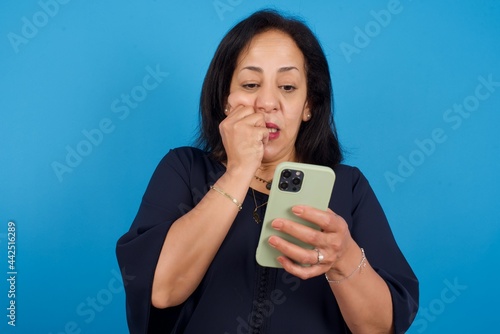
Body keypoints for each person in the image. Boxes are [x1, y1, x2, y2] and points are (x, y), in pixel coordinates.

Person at [116, 9, 419, 334]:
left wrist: (343, 256)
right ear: (226, 101)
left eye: (287, 87)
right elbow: (162, 291)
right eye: (250, 84)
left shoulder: (348, 188)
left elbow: (380, 327)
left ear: (309, 105)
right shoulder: (184, 169)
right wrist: (239, 170)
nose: (267, 102)